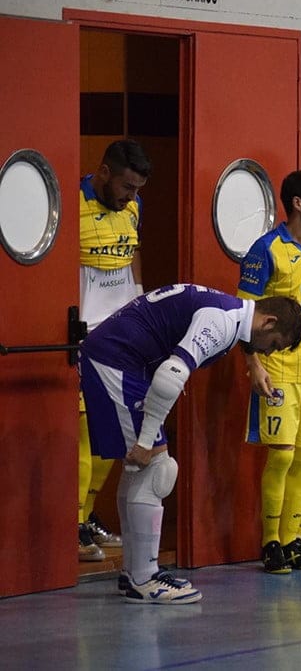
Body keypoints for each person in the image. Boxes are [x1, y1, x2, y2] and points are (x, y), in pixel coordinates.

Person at [79, 283, 301, 603]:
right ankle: (144, 577)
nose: (268, 353)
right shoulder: (223, 321)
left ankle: (135, 573)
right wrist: (146, 441)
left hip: (116, 355)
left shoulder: (230, 312)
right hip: (117, 360)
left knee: (140, 470)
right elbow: (173, 372)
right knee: (156, 467)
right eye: (274, 345)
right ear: (268, 322)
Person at [239, 169, 301, 575]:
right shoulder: (266, 250)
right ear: (298, 203)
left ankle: (296, 540)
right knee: (281, 456)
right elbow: (243, 315)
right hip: (276, 370)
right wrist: (253, 364)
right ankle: (270, 543)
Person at [78, 139, 152, 562]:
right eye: (127, 186)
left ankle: (87, 517)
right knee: (86, 431)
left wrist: (138, 298)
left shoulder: (132, 209)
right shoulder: (71, 207)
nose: (131, 197)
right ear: (104, 173)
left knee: (116, 431)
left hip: (121, 335)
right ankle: (71, 524)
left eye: (138, 189)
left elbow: (133, 252)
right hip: (84, 335)